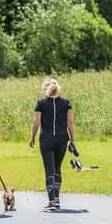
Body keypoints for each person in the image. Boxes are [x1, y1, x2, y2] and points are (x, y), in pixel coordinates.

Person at [29, 78, 75, 211]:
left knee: (49, 169)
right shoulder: (66, 103)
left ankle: (52, 201)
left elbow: (36, 122)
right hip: (62, 139)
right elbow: (70, 123)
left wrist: (32, 137)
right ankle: (57, 200)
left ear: (45, 89)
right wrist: (72, 140)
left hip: (46, 139)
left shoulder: (41, 103)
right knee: (57, 168)